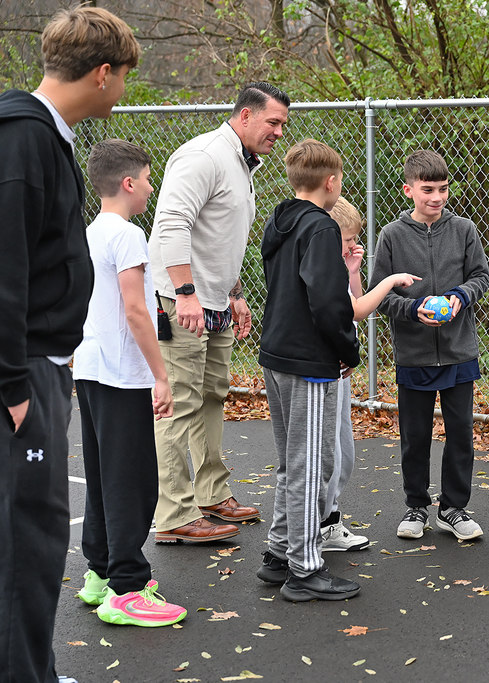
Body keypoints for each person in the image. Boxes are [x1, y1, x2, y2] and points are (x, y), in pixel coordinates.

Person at [0, 7, 139, 682]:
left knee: (37, 532)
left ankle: (34, 666)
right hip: (23, 371)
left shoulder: (42, 135)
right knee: (26, 537)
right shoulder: (23, 139)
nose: (124, 93)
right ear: (103, 73)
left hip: (43, 364)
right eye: (124, 79)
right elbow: (6, 266)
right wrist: (13, 387)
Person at [149, 81, 290, 543]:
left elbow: (220, 237)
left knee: (212, 397)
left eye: (283, 125)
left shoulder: (243, 164)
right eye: (273, 122)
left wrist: (233, 291)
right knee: (178, 406)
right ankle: (174, 514)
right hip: (180, 301)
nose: (278, 133)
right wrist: (186, 292)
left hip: (215, 301)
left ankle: (211, 492)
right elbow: (172, 222)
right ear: (245, 116)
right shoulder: (204, 155)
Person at [73, 140, 187, 627]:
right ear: (127, 183)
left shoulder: (90, 232)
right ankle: (127, 587)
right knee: (132, 481)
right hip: (121, 373)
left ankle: (100, 572)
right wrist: (160, 376)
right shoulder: (127, 235)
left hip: (91, 367)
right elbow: (135, 308)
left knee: (103, 476)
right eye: (146, 178)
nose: (150, 186)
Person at [254, 139, 362, 601]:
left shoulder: (279, 219)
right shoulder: (320, 229)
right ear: (331, 181)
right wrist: (346, 350)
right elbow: (328, 300)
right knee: (310, 466)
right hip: (308, 362)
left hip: (276, 353)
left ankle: (279, 553)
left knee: (290, 462)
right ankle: (305, 568)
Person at [368, 150, 489, 541]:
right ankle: (416, 507)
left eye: (443, 188)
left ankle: (453, 509)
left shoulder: (465, 230)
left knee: (460, 434)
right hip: (414, 353)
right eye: (427, 190)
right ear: (409, 190)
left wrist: (461, 297)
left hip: (458, 353)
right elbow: (380, 295)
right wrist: (413, 309)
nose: (436, 197)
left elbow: (480, 277)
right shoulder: (391, 235)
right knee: (415, 435)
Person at [320, 198, 421, 552]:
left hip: (342, 371)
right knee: (327, 452)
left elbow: (354, 298)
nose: (354, 244)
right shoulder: (320, 267)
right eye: (348, 239)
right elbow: (359, 310)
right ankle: (318, 525)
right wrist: (391, 280)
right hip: (324, 371)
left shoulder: (338, 264)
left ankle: (329, 521)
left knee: (344, 450)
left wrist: (352, 269)